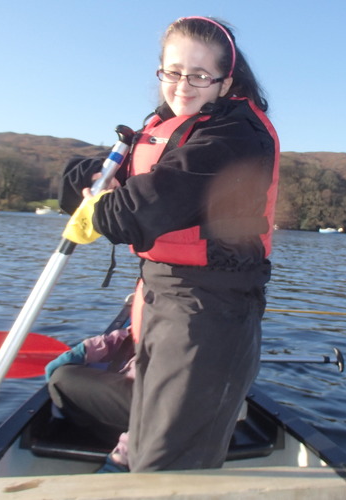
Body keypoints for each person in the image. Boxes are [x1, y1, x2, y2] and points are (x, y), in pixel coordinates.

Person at [53, 16, 279, 473]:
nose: (183, 85)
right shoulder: (168, 128)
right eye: (173, 72)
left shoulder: (236, 138)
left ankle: (187, 429)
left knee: (165, 472)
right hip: (158, 297)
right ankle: (151, 435)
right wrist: (89, 180)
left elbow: (146, 208)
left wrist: (97, 208)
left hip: (210, 311)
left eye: (199, 75)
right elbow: (76, 178)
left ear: (225, 81)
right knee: (63, 380)